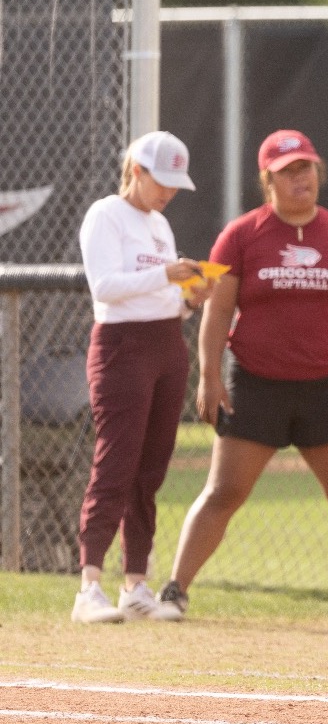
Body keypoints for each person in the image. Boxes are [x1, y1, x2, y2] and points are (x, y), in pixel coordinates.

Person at [167, 130, 328, 626]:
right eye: (289, 171)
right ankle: (173, 590)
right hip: (256, 384)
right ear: (268, 179)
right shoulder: (242, 235)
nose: (301, 178)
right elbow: (217, 311)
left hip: (325, 387)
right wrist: (208, 377)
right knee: (224, 493)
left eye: (306, 168)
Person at [73, 132, 205, 624]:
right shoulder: (105, 215)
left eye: (175, 184)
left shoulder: (160, 225)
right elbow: (105, 286)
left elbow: (163, 297)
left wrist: (191, 298)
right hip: (122, 347)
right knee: (116, 464)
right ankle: (89, 587)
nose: (167, 192)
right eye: (161, 180)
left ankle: (135, 584)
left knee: (150, 470)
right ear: (137, 170)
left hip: (166, 345)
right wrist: (168, 276)